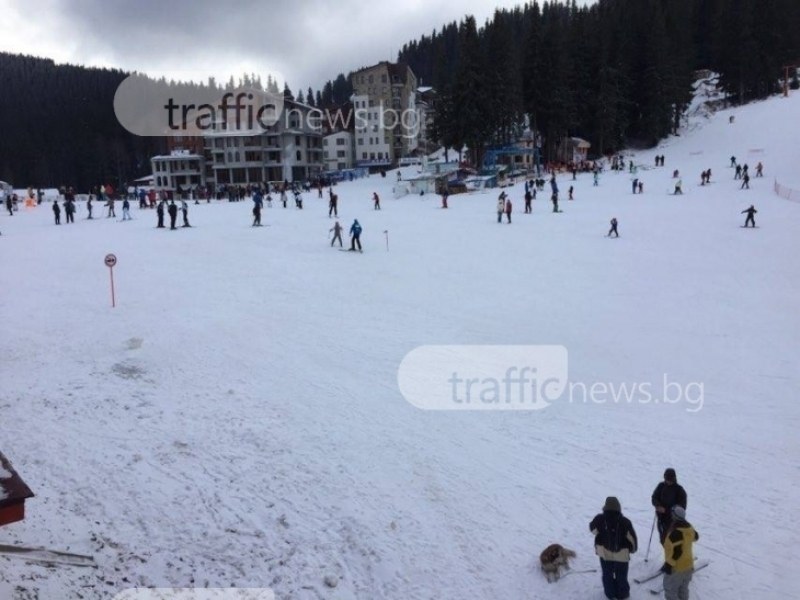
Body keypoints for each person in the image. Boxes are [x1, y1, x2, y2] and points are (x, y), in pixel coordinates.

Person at [589, 496, 637, 600]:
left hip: (604, 553)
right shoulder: (625, 521)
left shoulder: (600, 519)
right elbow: (632, 539)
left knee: (607, 574)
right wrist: (633, 549)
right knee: (621, 575)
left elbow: (593, 530)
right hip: (622, 555)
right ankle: (622, 594)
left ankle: (610, 593)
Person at [661, 506, 699, 600]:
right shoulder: (688, 527)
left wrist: (669, 565)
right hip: (688, 565)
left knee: (670, 590)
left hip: (677, 567)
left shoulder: (676, 533)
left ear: (675, 516)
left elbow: (677, 552)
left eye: (672, 514)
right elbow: (696, 537)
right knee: (683, 589)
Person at [652, 468, 688, 544]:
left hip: (673, 521)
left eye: (669, 479)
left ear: (674, 478)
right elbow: (654, 497)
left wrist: (667, 510)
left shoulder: (679, 490)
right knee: (663, 540)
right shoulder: (661, 486)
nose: (668, 481)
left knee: (672, 542)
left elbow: (682, 507)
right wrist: (658, 505)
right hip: (661, 519)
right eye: (666, 479)